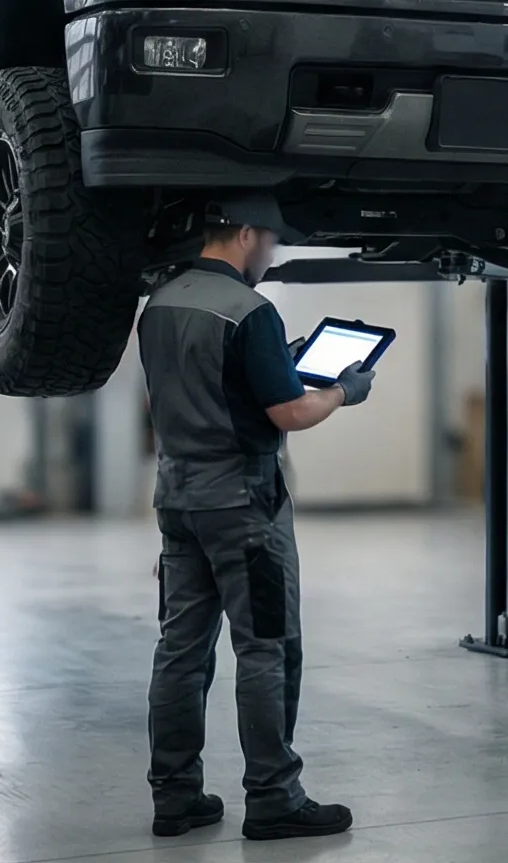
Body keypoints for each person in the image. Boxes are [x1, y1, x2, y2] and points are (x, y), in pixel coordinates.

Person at [140, 219, 376, 841]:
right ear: (246, 234)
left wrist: (275, 364)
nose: (271, 255)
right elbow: (291, 412)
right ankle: (274, 797)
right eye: (270, 241)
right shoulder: (250, 311)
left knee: (181, 651)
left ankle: (175, 797)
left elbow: (202, 383)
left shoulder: (158, 303)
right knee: (265, 648)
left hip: (178, 501)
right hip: (244, 508)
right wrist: (344, 391)